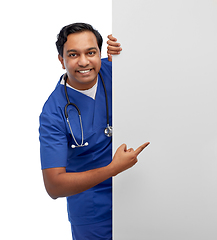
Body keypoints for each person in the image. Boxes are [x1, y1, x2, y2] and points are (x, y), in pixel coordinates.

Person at [39, 22, 150, 240]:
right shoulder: (53, 113)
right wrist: (113, 168)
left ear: (100, 53)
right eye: (73, 54)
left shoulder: (115, 70)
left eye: (91, 52)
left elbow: (156, 64)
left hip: (138, 193)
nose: (83, 62)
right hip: (93, 213)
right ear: (61, 60)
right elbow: (54, 186)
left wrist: (127, 47)